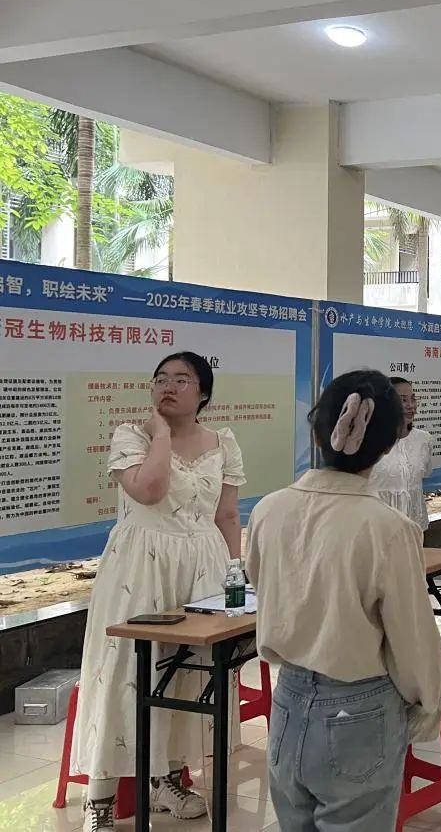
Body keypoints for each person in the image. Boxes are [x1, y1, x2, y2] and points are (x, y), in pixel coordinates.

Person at [246, 370, 441, 832]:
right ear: (389, 442)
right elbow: (411, 635)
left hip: (288, 700)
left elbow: (262, 584)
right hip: (360, 707)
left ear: (318, 430)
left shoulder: (267, 510)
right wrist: (428, 698)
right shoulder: (388, 527)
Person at [73, 353, 245, 831]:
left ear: (203, 393)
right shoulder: (133, 435)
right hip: (140, 565)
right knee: (124, 673)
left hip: (205, 565)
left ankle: (165, 779)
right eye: (161, 379)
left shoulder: (223, 443)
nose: (168, 386)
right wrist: (163, 435)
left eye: (181, 380)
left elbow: (227, 514)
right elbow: (148, 491)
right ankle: (100, 798)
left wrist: (235, 576)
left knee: (187, 672)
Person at [369, 376, 435, 530]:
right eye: (403, 400)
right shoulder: (368, 441)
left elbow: (423, 475)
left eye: (413, 399)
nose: (411, 406)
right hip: (377, 529)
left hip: (414, 528)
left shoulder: (423, 439)